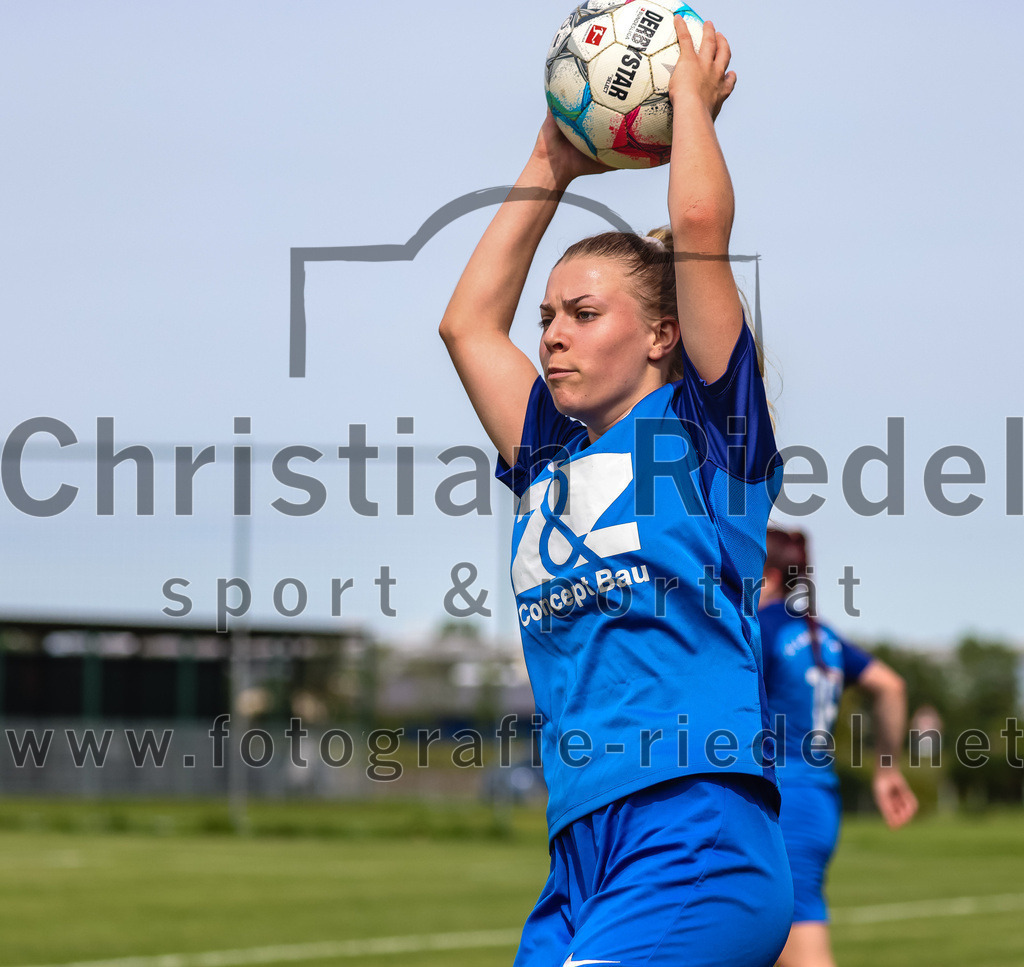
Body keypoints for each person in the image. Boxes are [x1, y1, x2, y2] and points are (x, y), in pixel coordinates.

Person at [440, 16, 791, 967]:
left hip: (697, 831)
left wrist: (686, 102)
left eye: (583, 314)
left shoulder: (710, 433)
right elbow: (467, 324)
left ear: (662, 336)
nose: (549, 333)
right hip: (581, 852)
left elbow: (704, 230)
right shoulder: (549, 456)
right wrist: (550, 161)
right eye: (549, 315)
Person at [759, 527, 919, 967]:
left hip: (781, 804)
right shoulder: (820, 635)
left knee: (799, 944)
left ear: (768, 577)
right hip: (816, 799)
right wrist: (887, 769)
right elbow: (891, 685)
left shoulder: (761, 629)